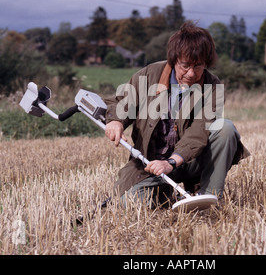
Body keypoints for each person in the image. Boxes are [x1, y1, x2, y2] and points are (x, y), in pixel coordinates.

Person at [104, 21, 250, 208]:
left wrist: (172, 162)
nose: (191, 73)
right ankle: (163, 194)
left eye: (198, 66)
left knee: (225, 128)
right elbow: (119, 102)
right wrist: (116, 121)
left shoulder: (213, 86)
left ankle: (209, 198)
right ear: (173, 60)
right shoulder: (149, 75)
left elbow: (200, 131)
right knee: (127, 205)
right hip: (151, 166)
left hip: (191, 162)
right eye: (185, 65)